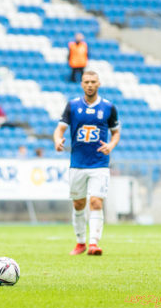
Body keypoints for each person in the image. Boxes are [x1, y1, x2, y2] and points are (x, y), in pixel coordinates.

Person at [53, 71, 120, 256]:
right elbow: (59, 130)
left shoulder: (108, 107)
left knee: (96, 202)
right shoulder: (72, 105)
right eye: (86, 82)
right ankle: (80, 242)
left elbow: (116, 133)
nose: (90, 84)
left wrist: (111, 145)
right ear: (82, 84)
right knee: (79, 204)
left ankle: (93, 244)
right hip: (77, 164)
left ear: (99, 83)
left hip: (99, 163)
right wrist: (57, 140)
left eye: (93, 81)